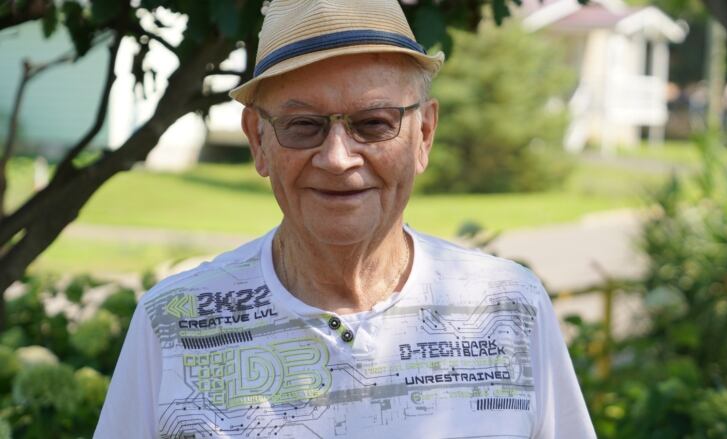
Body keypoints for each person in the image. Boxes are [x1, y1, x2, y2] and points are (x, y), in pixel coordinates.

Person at [95, 1, 596, 437]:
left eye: (374, 123)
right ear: (258, 141)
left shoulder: (510, 308)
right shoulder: (175, 323)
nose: (338, 158)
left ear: (423, 134)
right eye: (303, 125)